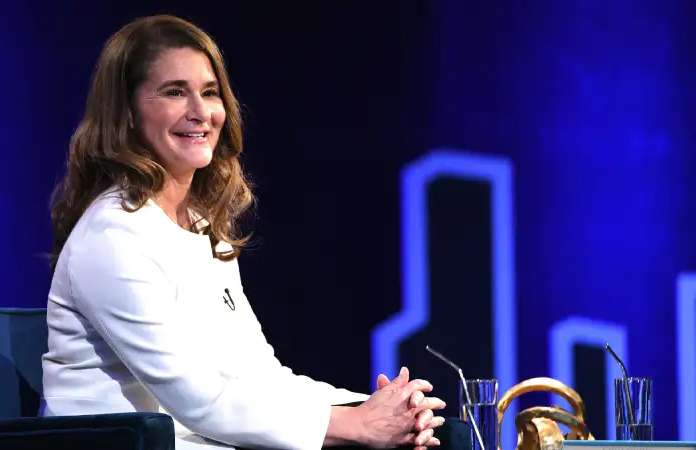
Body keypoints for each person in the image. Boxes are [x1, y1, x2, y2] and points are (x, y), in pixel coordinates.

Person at [40, 15, 447, 450]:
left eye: (210, 92)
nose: (201, 112)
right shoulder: (112, 236)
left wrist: (377, 408)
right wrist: (358, 426)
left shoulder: (201, 227)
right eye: (175, 92)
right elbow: (199, 402)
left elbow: (258, 376)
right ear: (128, 112)